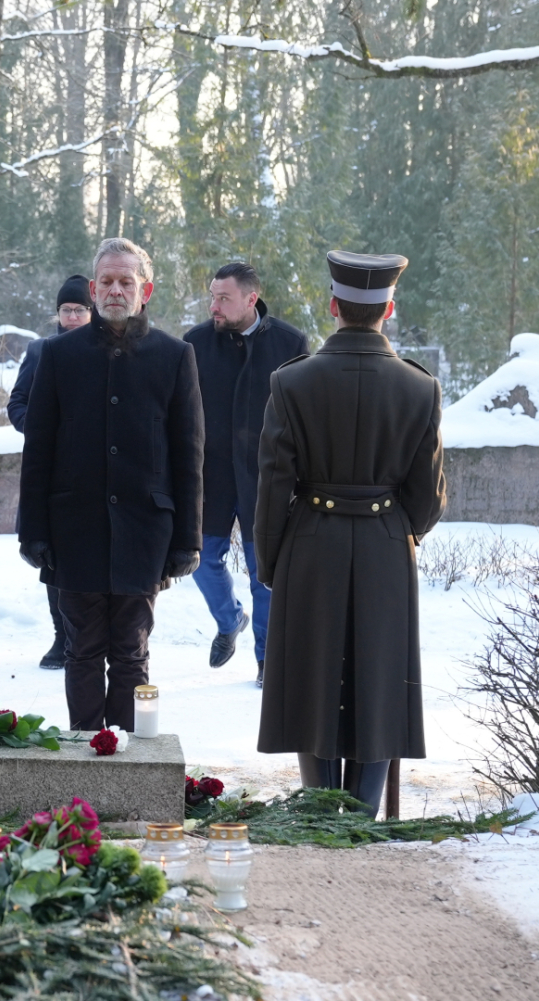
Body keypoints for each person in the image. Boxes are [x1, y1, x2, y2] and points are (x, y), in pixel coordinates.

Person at [254, 251, 445, 816]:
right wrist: (395, 530)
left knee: (315, 679)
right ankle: (361, 814)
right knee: (380, 679)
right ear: (389, 308)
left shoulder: (291, 382)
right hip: (387, 545)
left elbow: (272, 487)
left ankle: (319, 807)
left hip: (310, 543)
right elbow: (430, 498)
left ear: (333, 305)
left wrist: (273, 562)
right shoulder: (420, 387)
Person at [17, 238, 204, 732]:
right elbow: (38, 447)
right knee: (82, 649)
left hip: (146, 530)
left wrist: (188, 537)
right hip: (73, 528)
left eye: (126, 281)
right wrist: (31, 530)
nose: (115, 290)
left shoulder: (174, 355)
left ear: (146, 289)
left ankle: (126, 757)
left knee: (131, 652)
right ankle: (85, 752)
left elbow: (188, 453)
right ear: (93, 286)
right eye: (107, 281)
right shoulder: (58, 355)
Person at [184, 263, 309, 686]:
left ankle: (266, 661)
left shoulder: (290, 343)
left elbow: (304, 418)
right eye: (212, 296)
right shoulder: (195, 343)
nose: (213, 306)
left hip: (267, 479)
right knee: (199, 560)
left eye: (224, 298)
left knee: (266, 574)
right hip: (211, 477)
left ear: (251, 299)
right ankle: (229, 618)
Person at [7, 274, 92, 669]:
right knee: (53, 557)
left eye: (79, 310)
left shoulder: (105, 351)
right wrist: (43, 431)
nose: (72, 317)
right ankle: (63, 636)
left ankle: (91, 636)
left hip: (96, 469)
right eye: (66, 310)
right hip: (52, 471)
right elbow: (18, 403)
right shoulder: (40, 351)